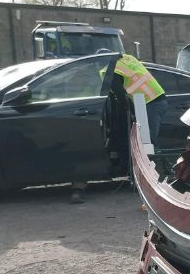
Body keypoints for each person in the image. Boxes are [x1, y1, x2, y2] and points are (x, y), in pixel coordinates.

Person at [71, 53, 168, 204]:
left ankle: (157, 180)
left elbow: (118, 96)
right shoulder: (128, 59)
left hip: (148, 102)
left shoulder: (107, 71)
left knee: (147, 143)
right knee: (146, 141)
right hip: (155, 97)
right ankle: (150, 178)